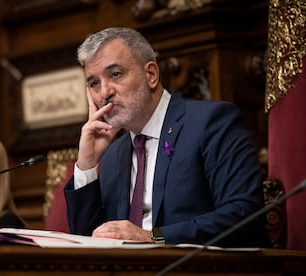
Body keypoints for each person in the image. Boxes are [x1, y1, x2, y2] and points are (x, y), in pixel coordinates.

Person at [64, 27, 270, 247]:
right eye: (94, 83)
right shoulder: (112, 155)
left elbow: (244, 215)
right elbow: (88, 243)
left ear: (151, 74)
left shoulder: (211, 122)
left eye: (115, 74)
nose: (104, 92)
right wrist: (87, 163)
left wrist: (153, 237)